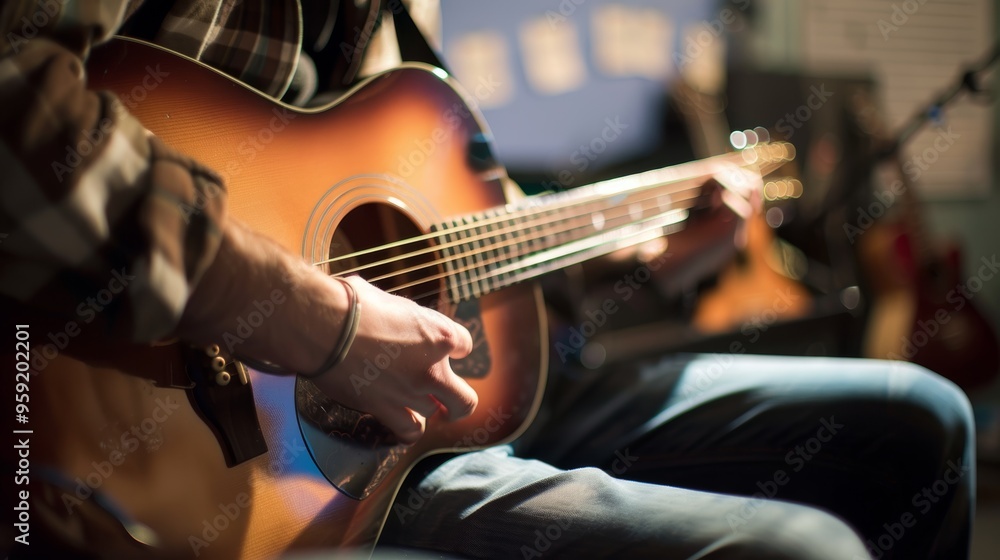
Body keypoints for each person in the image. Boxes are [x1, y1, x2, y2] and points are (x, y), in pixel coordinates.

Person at [0, 1, 975, 559]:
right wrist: (323, 326)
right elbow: (18, 114)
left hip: (431, 408)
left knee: (922, 419)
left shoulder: (388, 23)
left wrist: (620, 261)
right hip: (244, 469)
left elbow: (429, 250)